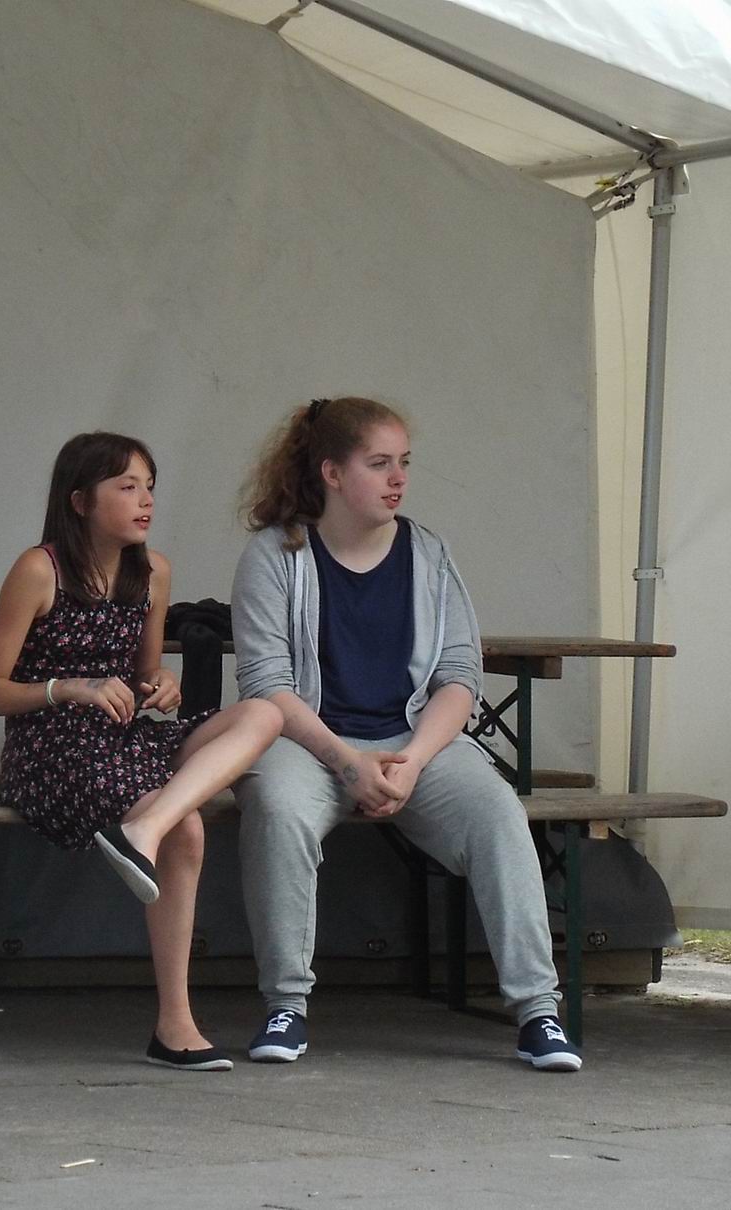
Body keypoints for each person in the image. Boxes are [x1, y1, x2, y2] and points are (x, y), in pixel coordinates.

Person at [230, 397, 582, 1072]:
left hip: (411, 742)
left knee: (499, 813)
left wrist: (415, 759)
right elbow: (266, 684)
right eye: (379, 464)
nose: (398, 479)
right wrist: (346, 762)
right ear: (333, 473)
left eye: (404, 463)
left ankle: (539, 1012)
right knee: (276, 810)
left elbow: (458, 674)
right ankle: (285, 1005)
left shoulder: (427, 552)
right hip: (307, 743)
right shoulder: (276, 554)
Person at [0, 431, 282, 1072]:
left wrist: (163, 684)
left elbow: (144, 678)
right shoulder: (40, 570)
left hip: (125, 739)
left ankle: (144, 826)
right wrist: (68, 687)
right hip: (52, 748)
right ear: (80, 500)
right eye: (128, 487)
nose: (146, 501)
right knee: (189, 828)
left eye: (150, 488)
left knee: (264, 713)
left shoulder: (153, 572)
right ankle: (176, 1025)